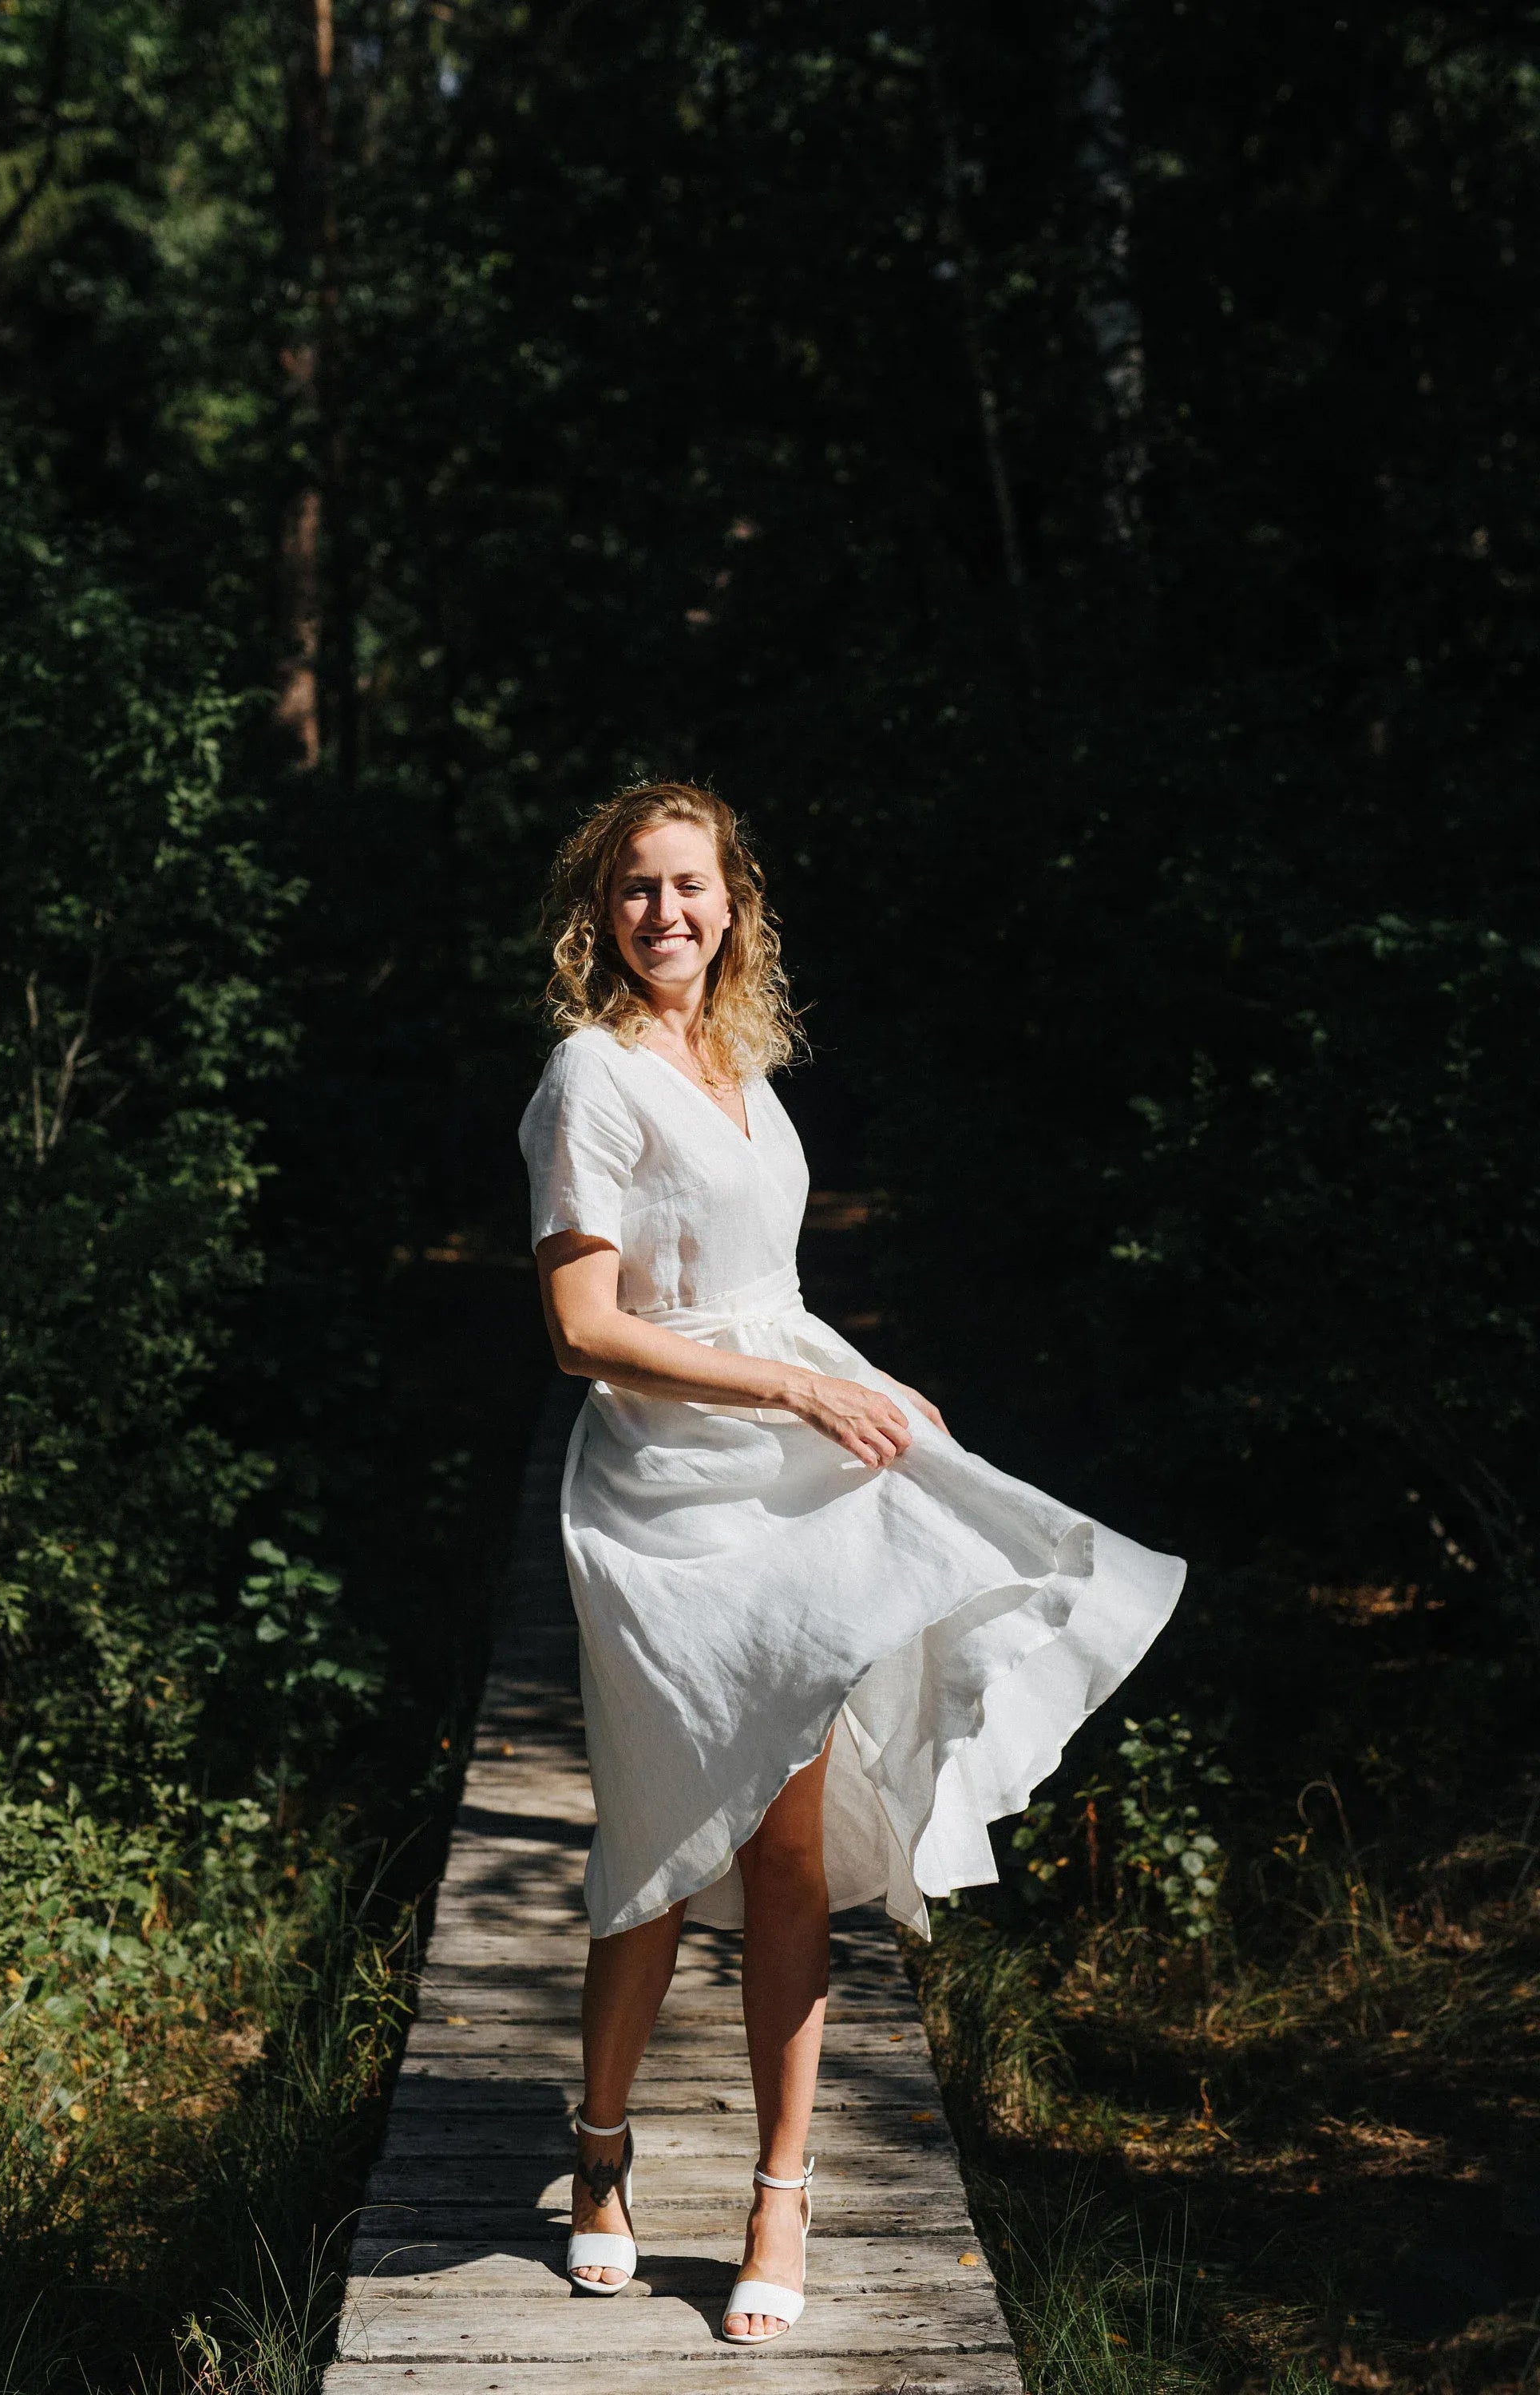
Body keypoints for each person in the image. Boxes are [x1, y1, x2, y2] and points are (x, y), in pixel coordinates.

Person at [517, 780, 1185, 2346]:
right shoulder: (586, 1080)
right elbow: (582, 1332)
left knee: (796, 1854)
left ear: (731, 902)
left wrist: (858, 1379)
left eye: (689, 886)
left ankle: (780, 2189)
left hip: (789, 1472)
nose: (664, 914)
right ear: (598, 911)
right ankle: (599, 2156)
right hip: (662, 1501)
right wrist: (804, 1387)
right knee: (661, 1845)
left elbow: (758, 1292)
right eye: (634, 889)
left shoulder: (742, 1064)